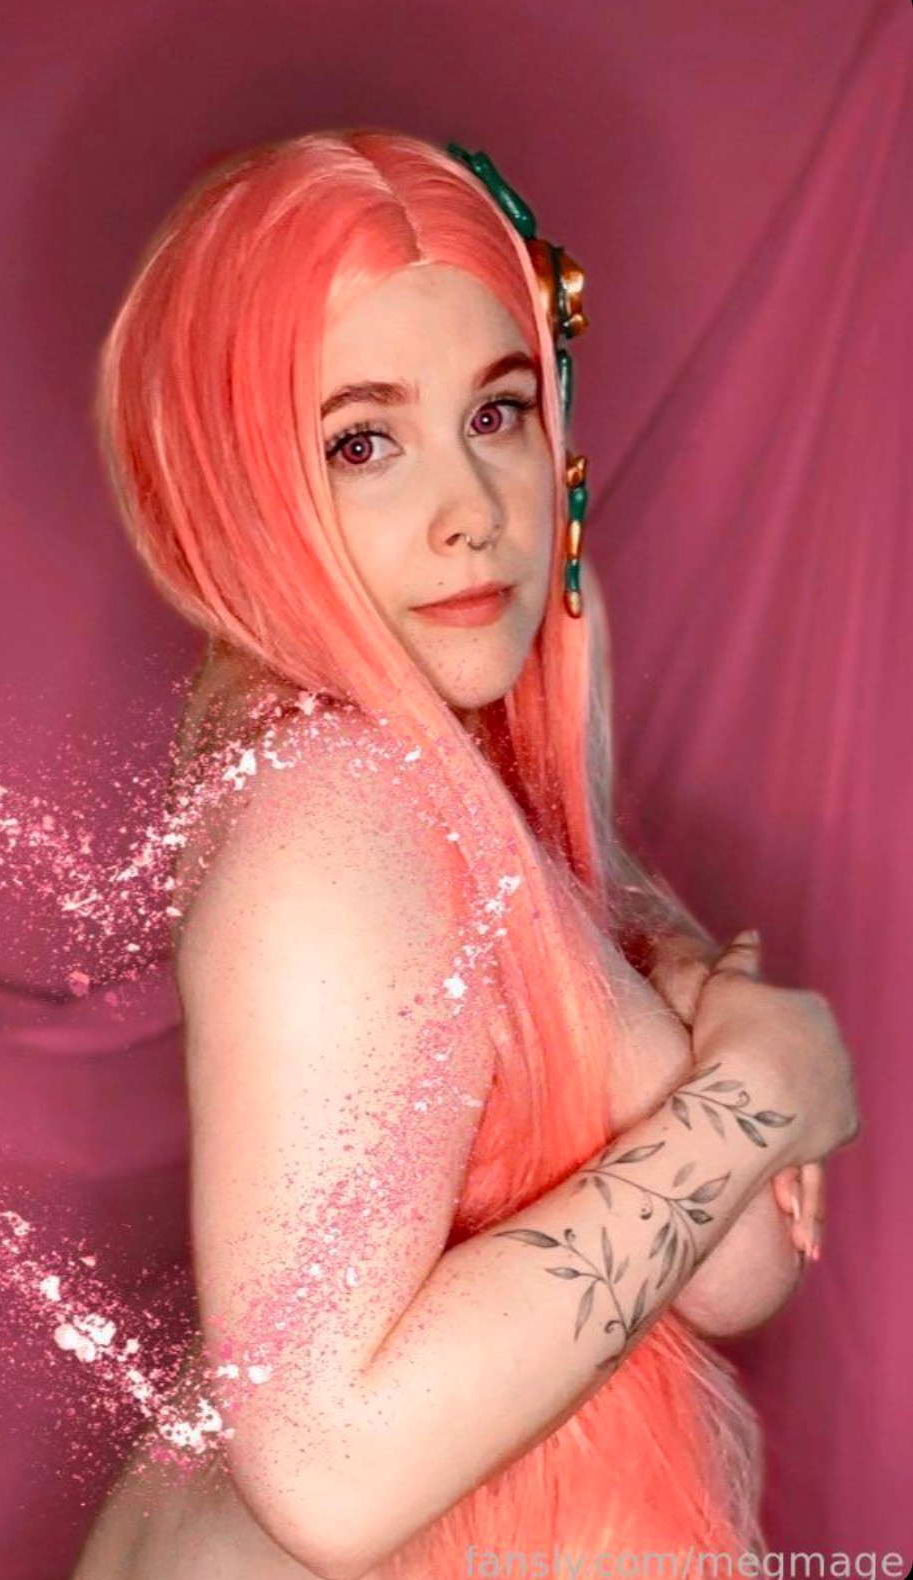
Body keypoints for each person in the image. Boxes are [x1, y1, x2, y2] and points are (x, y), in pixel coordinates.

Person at [70, 129, 859, 1579]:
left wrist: (679, 981)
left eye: (497, 414)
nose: (473, 513)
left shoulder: (437, 776)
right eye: (361, 441)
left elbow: (733, 1266)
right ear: (238, 485)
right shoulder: (334, 814)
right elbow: (333, 1474)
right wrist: (758, 1094)